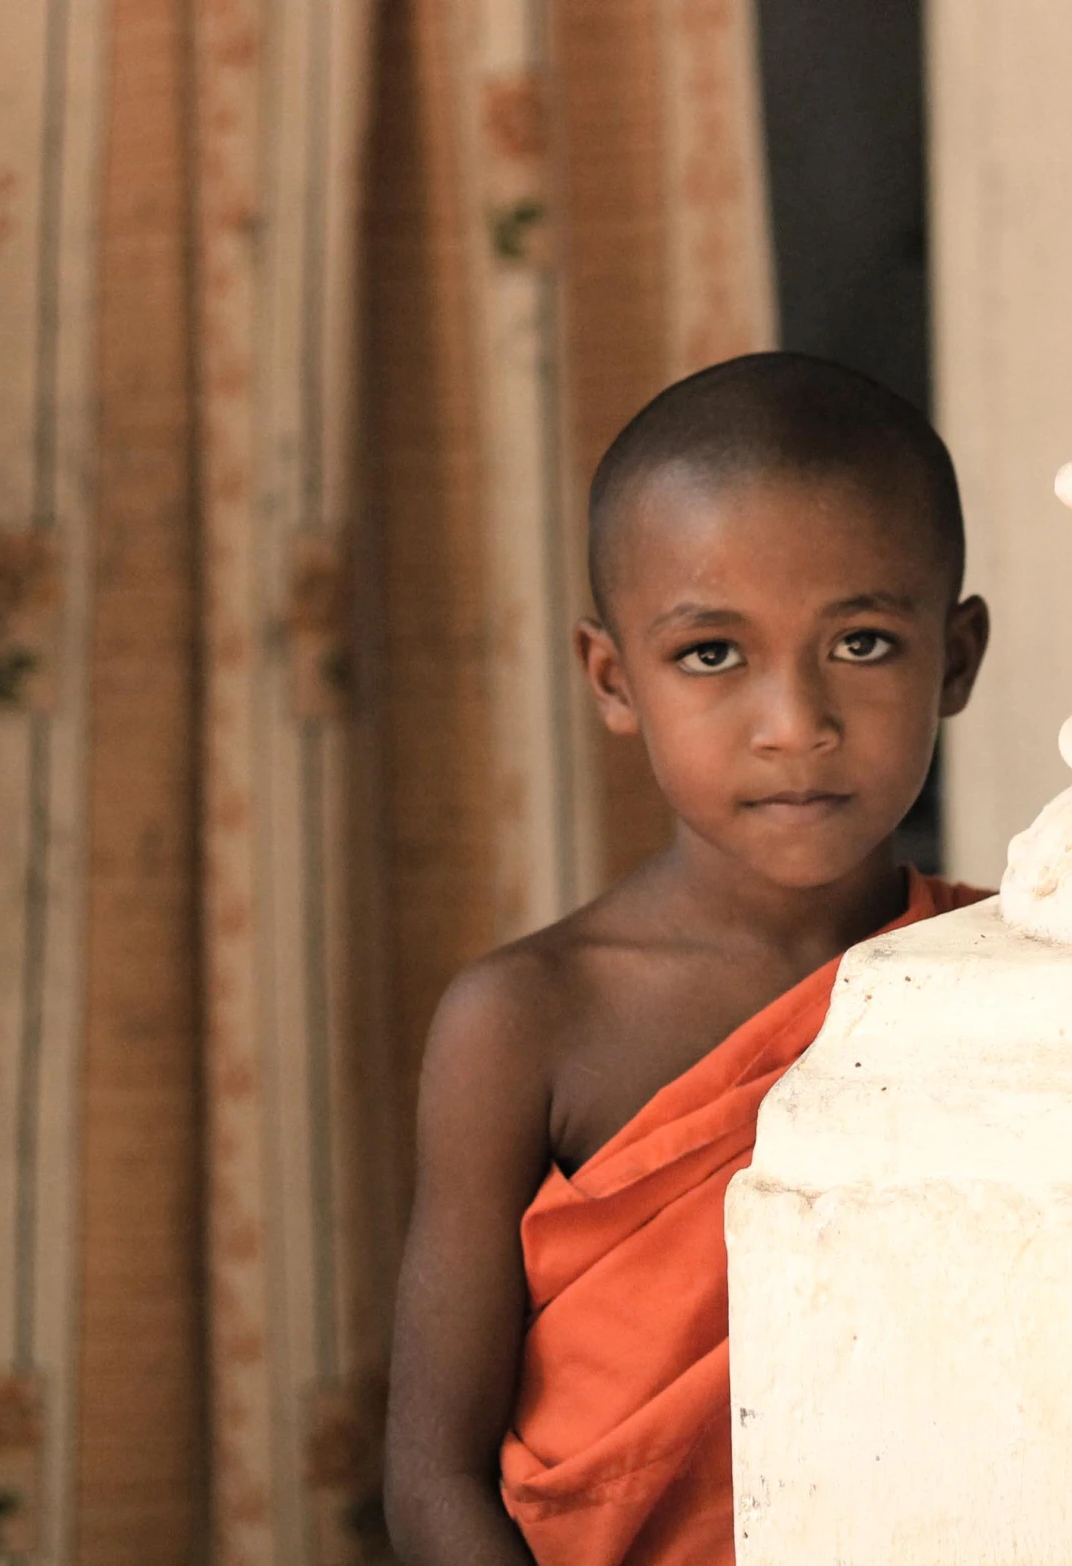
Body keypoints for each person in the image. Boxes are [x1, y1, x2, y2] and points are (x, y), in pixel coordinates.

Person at [383, 352, 992, 1566]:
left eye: (863, 644)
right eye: (713, 655)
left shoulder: (1006, 988)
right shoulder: (528, 1021)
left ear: (957, 660)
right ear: (616, 681)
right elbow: (433, 1479)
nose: (795, 723)